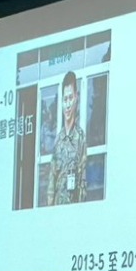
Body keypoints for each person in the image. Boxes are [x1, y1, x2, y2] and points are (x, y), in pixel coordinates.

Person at [50, 71, 88, 207]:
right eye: (65, 99)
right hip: (57, 209)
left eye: (70, 98)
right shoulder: (57, 141)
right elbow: (51, 181)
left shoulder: (80, 137)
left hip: (73, 210)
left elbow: (83, 179)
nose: (67, 105)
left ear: (76, 98)